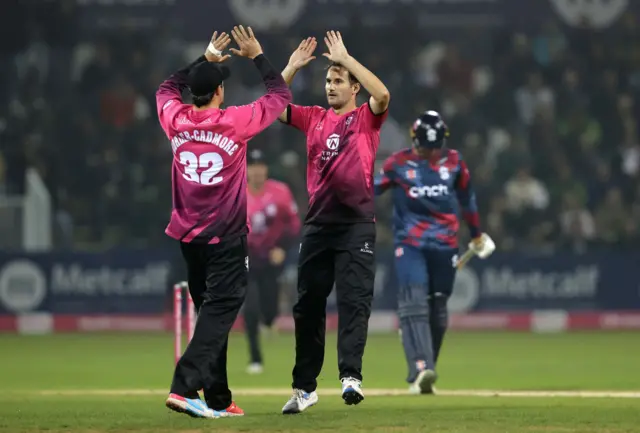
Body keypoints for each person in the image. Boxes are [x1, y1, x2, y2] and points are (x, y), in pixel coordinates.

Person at [156, 26, 291, 418]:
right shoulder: (235, 122)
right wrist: (258, 55)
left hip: (188, 237)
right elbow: (280, 95)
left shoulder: (174, 118)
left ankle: (216, 398)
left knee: (209, 312)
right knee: (222, 308)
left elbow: (167, 86)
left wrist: (207, 57)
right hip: (226, 237)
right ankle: (183, 387)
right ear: (218, 93)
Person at [277, 32, 391, 414]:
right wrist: (291, 68)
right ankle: (304, 389)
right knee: (308, 306)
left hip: (356, 224)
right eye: (328, 81)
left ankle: (350, 377)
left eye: (338, 81)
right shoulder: (313, 118)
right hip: (318, 225)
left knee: (354, 301)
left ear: (354, 87)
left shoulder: (366, 118)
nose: (330, 86)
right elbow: (274, 107)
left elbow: (384, 94)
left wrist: (347, 57)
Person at [374, 110, 495, 394]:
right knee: (414, 303)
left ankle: (426, 371)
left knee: (438, 311)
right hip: (410, 245)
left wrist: (476, 235)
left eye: (434, 146)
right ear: (414, 138)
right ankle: (420, 366)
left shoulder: (455, 162)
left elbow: (468, 200)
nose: (429, 152)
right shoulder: (398, 163)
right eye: (424, 146)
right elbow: (369, 191)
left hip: (445, 245)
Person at [244, 149, 301, 374]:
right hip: (245, 258)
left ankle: (269, 320)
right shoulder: (236, 192)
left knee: (269, 307)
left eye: (261, 165)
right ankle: (255, 357)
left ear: (266, 169)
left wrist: (282, 248)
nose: (257, 170)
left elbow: (294, 225)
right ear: (246, 169)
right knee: (250, 307)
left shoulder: (280, 192)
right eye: (252, 166)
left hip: (271, 258)